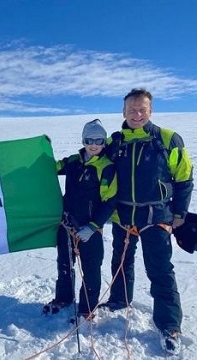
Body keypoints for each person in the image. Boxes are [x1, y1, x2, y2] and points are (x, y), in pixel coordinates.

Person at [102, 88, 193, 355]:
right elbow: (94, 164)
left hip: (157, 216)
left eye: (142, 109)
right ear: (123, 112)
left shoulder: (167, 139)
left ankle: (169, 325)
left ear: (150, 111)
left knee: (160, 269)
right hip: (123, 215)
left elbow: (184, 178)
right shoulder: (115, 142)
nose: (137, 114)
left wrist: (180, 214)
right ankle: (119, 300)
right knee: (120, 262)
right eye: (132, 110)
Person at [43, 119, 117, 320]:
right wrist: (43, 150)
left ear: (104, 142)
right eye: (89, 139)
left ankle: (87, 310)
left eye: (99, 140)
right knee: (65, 263)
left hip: (90, 228)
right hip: (66, 224)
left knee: (91, 268)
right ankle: (63, 298)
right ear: (83, 140)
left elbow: (110, 201)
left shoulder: (106, 167)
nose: (94, 144)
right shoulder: (73, 161)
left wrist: (93, 226)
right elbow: (51, 168)